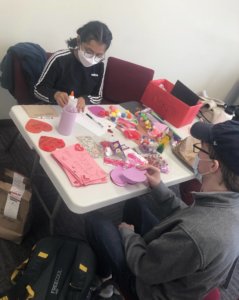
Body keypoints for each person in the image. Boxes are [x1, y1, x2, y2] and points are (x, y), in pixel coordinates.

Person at [85, 119, 239, 299]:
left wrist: (128, 235)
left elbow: (144, 267)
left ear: (213, 166)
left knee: (95, 222)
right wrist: (160, 189)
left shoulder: (197, 234)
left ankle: (105, 278)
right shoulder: (228, 201)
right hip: (178, 263)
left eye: (201, 149)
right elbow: (189, 217)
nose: (197, 155)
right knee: (135, 204)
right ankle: (116, 263)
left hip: (150, 289)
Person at [34, 21, 112, 111]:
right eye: (88, 51)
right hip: (53, 110)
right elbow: (38, 90)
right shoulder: (59, 59)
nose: (92, 59)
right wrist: (55, 94)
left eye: (99, 55)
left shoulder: (99, 66)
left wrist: (85, 99)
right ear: (79, 41)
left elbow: (97, 97)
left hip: (78, 112)